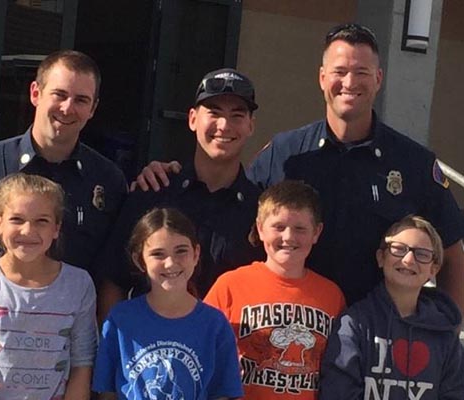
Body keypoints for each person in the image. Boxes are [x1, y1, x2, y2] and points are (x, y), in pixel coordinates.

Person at [134, 23, 464, 313]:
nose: (349, 82)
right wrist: (174, 173)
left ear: (378, 79)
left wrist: (446, 329)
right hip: (289, 340)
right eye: (339, 71)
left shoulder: (413, 163)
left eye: (361, 72)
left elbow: (451, 251)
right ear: (322, 78)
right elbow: (231, 199)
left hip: (376, 344)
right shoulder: (286, 152)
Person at [0, 49, 127, 399]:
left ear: (93, 108)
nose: (67, 107)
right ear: (35, 93)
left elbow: (110, 280)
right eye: (59, 94)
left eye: (81, 99)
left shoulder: (109, 180)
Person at [99, 68, 263, 300]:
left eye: (237, 115)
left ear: (250, 126)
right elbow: (114, 281)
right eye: (214, 113)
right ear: (193, 119)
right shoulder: (154, 192)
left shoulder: (261, 213)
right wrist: (113, 336)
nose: (224, 125)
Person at [0, 173, 97, 400]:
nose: (28, 231)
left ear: (56, 228)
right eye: (17, 219)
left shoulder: (79, 285)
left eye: (42, 221)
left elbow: (82, 363)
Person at [205, 181, 345, 399]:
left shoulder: (331, 295)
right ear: (260, 229)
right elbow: (202, 349)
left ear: (316, 232)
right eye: (279, 227)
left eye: (300, 229)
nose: (288, 237)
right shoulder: (230, 285)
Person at [92, 207, 243, 400]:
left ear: (196, 254)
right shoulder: (120, 321)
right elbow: (107, 392)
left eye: (181, 251)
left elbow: (223, 393)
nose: (170, 263)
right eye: (158, 254)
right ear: (140, 261)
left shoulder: (215, 323)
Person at [319, 215, 464, 400]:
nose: (409, 260)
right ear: (381, 258)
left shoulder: (445, 335)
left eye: (422, 254)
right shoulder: (355, 324)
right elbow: (338, 392)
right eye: (398, 249)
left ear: (433, 270)